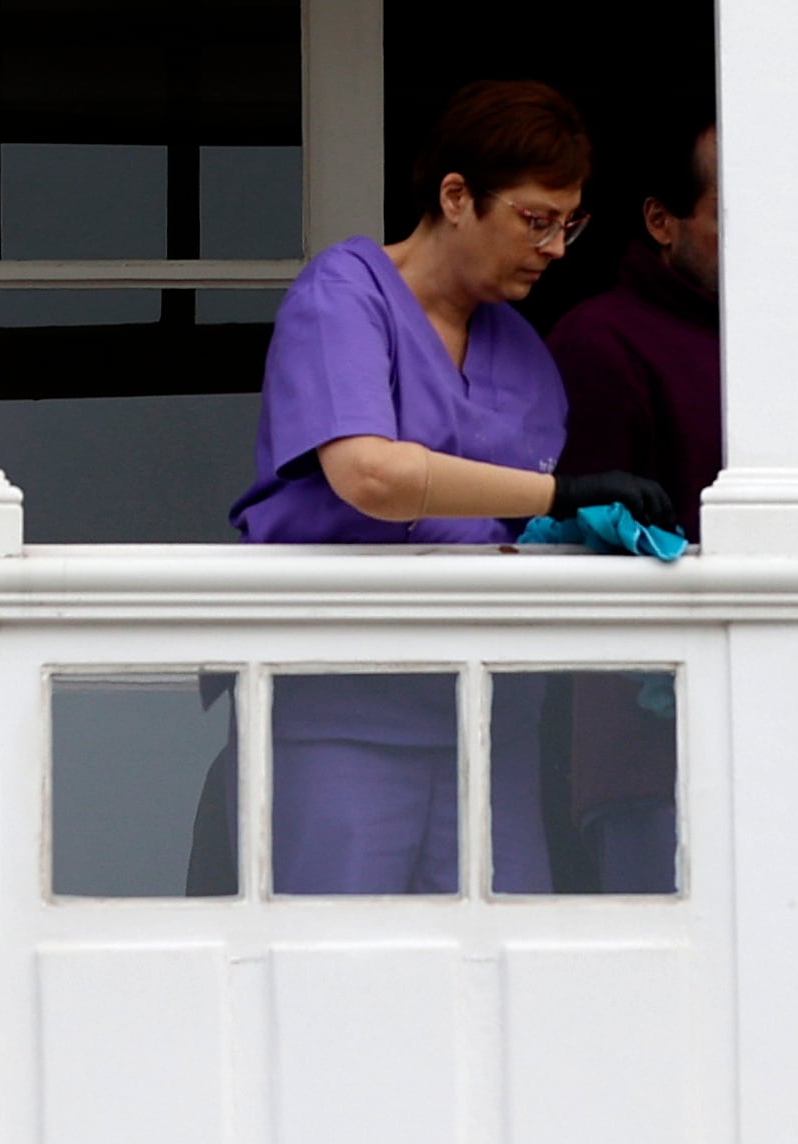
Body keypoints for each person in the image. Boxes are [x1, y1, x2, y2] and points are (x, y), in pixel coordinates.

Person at [234, 80, 678, 895]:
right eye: (536, 220)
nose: (555, 249)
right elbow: (370, 475)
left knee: (500, 978)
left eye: (569, 224)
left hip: (491, 722)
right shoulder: (345, 295)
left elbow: (508, 529)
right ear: (456, 196)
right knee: (331, 979)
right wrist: (562, 497)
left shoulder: (522, 348)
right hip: (345, 714)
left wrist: (589, 534)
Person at [535, 118, 721, 889]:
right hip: (648, 752)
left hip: (791, 730)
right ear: (660, 220)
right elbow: (591, 547)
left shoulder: (793, 341)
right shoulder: (599, 340)